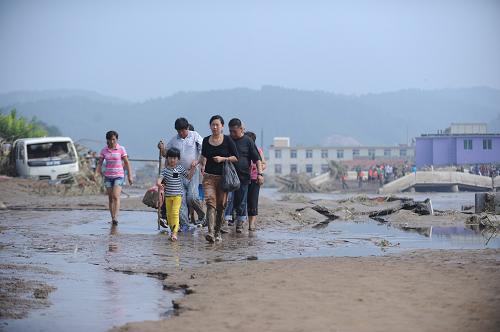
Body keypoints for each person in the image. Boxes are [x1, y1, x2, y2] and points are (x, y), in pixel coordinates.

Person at [158, 118, 205, 230]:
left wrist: (198, 161)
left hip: (192, 171)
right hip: (177, 173)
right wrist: (161, 148)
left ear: (187, 128)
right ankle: (185, 225)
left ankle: (202, 216)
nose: (181, 133)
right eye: (179, 131)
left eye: (183, 131)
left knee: (192, 197)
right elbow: (166, 153)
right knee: (181, 198)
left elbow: (204, 150)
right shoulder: (174, 140)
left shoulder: (195, 136)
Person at [199, 115, 239, 243]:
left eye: (217, 125)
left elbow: (236, 157)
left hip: (223, 178)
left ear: (222, 126)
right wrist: (199, 164)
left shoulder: (228, 140)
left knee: (221, 205)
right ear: (210, 126)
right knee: (211, 204)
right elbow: (203, 156)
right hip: (209, 177)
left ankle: (217, 232)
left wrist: (223, 159)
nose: (215, 127)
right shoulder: (205, 140)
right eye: (212, 125)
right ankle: (210, 232)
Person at [228, 118, 264, 233]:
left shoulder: (248, 141)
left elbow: (257, 159)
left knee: (241, 201)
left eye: (234, 131)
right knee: (228, 200)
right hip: (228, 177)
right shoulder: (227, 140)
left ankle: (240, 221)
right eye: (230, 131)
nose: (232, 133)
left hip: (243, 176)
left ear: (240, 129)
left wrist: (260, 174)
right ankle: (225, 221)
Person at [157, 148, 195, 241]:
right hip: (168, 196)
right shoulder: (165, 170)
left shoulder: (180, 168)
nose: (172, 160)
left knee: (175, 213)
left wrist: (193, 168)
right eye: (170, 158)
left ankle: (174, 234)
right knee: (169, 215)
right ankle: (173, 230)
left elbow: (189, 177)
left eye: (174, 158)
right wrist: (159, 184)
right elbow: (159, 179)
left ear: (178, 159)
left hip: (178, 195)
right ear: (167, 159)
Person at [96, 130, 133, 225]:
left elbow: (127, 162)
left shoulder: (121, 149)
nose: (112, 142)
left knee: (116, 196)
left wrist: (129, 176)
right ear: (107, 140)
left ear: (116, 139)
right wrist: (97, 172)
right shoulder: (104, 150)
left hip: (119, 176)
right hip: (108, 176)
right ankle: (112, 218)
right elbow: (100, 162)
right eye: (110, 139)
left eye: (114, 139)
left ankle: (116, 217)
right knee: (110, 198)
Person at [245, 131, 266, 231]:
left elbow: (264, 164)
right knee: (241, 201)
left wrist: (260, 169)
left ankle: (251, 224)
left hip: (255, 179)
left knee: (253, 201)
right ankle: (239, 221)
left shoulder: (259, 151)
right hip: (243, 179)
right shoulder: (241, 150)